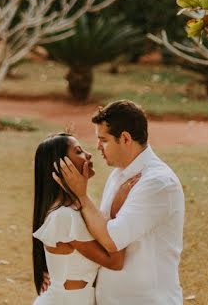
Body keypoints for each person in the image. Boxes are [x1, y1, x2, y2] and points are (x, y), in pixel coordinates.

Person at [57, 100, 185, 305]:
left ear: (125, 138)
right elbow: (98, 232)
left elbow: (111, 240)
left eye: (104, 140)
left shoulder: (159, 183)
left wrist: (81, 196)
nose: (97, 147)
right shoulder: (118, 175)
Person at [32, 133, 135, 304]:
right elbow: (115, 262)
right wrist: (119, 208)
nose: (88, 155)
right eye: (78, 151)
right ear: (62, 166)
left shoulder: (77, 207)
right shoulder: (64, 216)